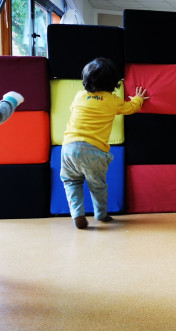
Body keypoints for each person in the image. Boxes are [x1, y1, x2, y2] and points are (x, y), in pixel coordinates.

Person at [61, 57, 148, 229]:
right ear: (114, 84)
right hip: (94, 150)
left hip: (69, 147)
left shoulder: (79, 96)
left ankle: (77, 214)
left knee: (71, 182)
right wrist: (139, 99)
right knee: (98, 186)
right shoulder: (112, 100)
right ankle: (100, 214)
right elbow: (130, 108)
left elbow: (73, 110)